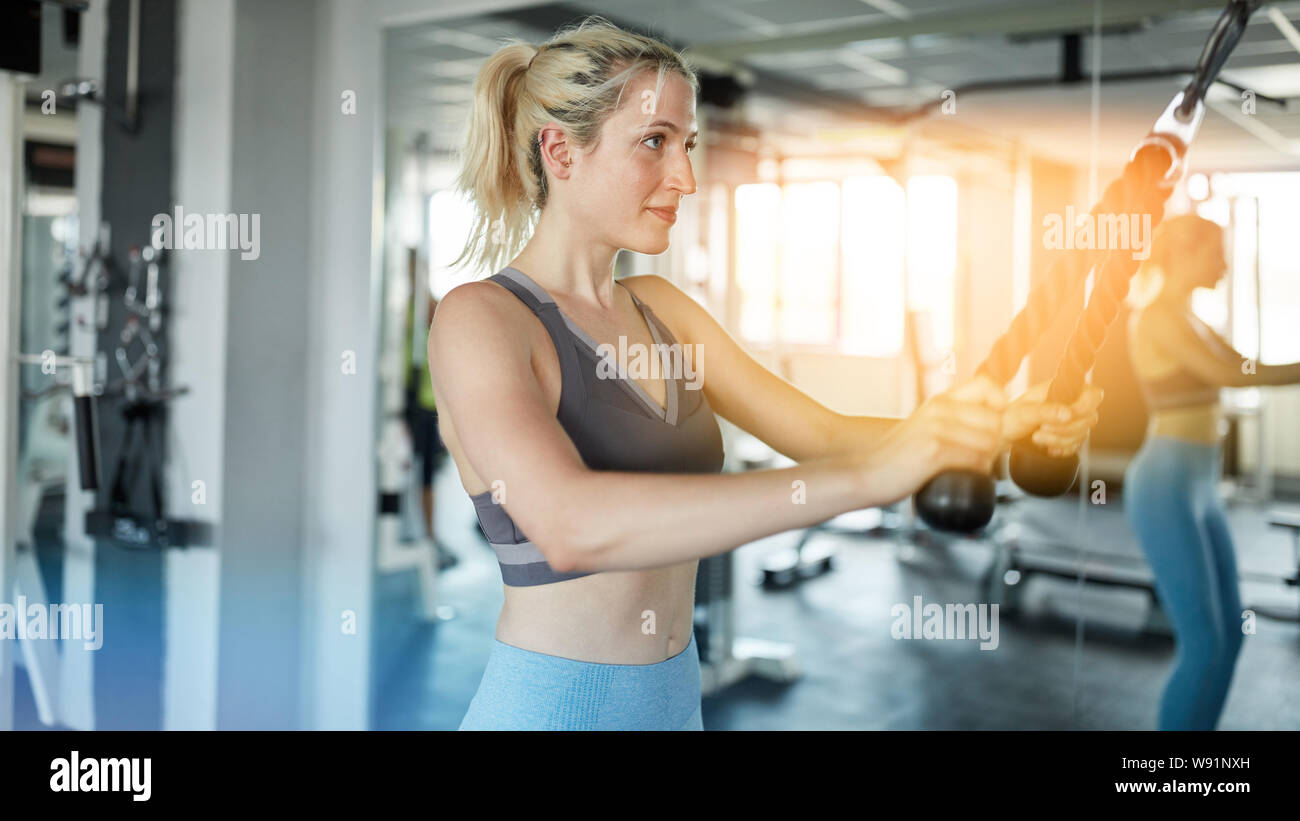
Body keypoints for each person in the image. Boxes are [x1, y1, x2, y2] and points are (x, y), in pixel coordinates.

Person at [428, 15, 1102, 731]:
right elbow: (569, 525)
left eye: (687, 145)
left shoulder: (663, 311)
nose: (685, 177)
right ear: (561, 152)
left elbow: (823, 432)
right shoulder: (483, 320)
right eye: (654, 142)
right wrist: (870, 484)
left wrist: (989, 430)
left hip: (676, 704)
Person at [1124, 213, 1300, 730]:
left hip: (1200, 485)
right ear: (1182, 254)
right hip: (1165, 486)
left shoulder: (1194, 320)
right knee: (1203, 644)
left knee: (1230, 635)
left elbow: (1246, 366)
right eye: (1215, 251)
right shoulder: (1156, 318)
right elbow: (1228, 374)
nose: (1223, 263)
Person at [403, 249, 456, 569]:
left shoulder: (430, 308)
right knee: (409, 473)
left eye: (418, 271)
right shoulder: (401, 310)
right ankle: (420, 535)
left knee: (425, 475)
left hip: (427, 406)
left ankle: (430, 539)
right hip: (407, 404)